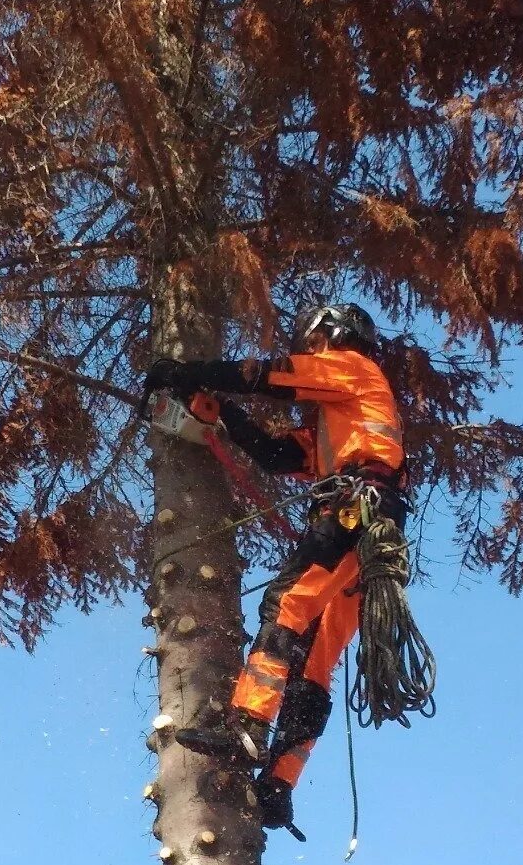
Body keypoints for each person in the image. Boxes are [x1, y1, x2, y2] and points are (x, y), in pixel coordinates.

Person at [141, 303, 407, 834]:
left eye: (314, 340)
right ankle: (279, 786)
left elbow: (267, 376)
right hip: (377, 538)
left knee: (286, 605)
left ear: (333, 333)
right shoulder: (346, 418)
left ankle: (247, 726)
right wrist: (225, 417)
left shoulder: (350, 366)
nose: (310, 350)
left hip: (357, 513)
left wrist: (186, 373)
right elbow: (278, 455)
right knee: (314, 665)